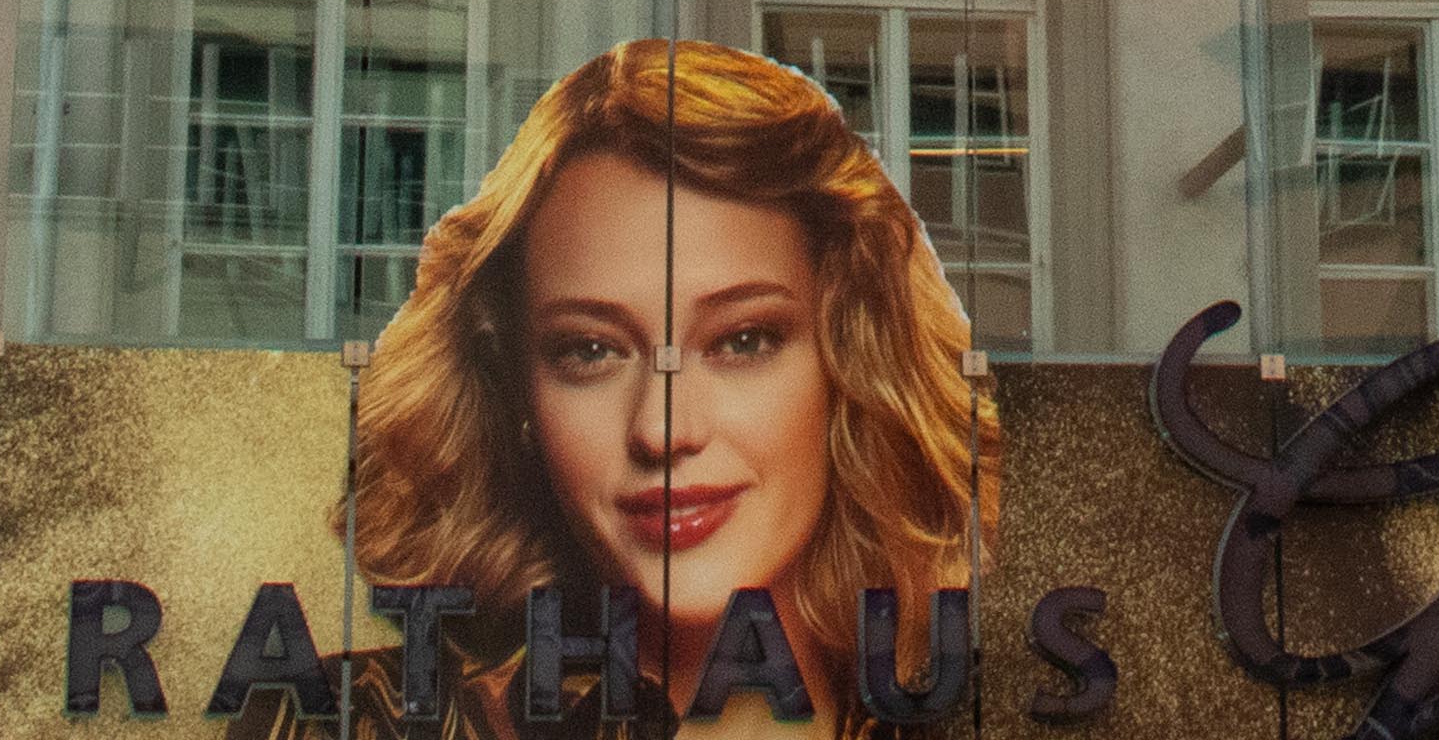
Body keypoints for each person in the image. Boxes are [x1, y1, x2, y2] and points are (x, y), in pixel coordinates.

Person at [345, 38, 997, 732]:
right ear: (515, 390)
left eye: (742, 341)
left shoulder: (1000, 711)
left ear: (853, 363)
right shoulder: (364, 718)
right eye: (590, 350)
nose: (662, 429)